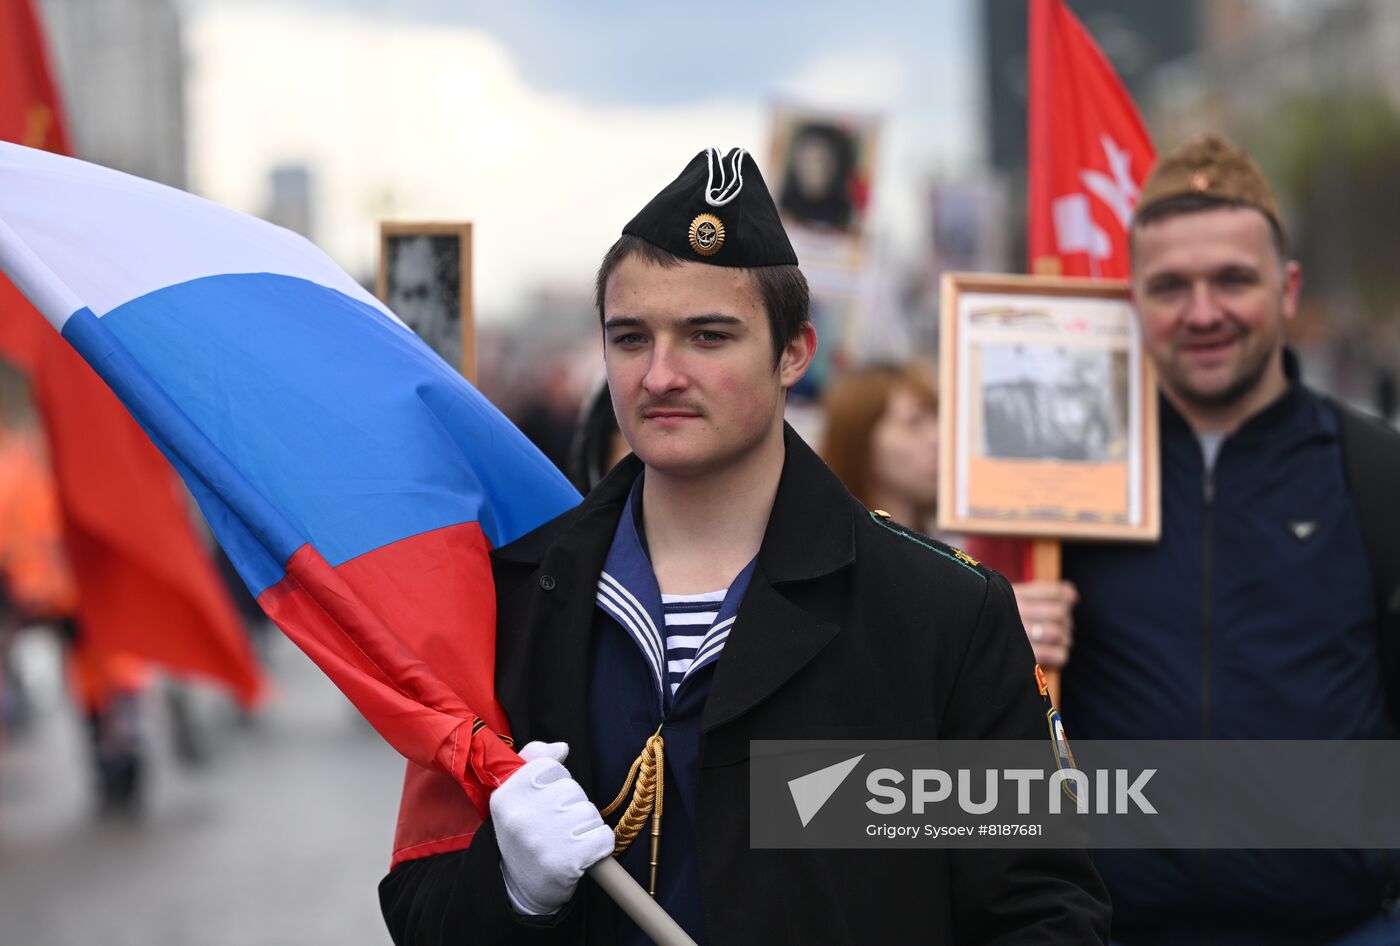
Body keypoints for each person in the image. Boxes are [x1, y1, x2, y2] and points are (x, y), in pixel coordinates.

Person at [379, 146, 1110, 944]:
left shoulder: (940, 611)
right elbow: (420, 909)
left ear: (795, 351)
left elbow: (1042, 910)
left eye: (707, 336)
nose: (659, 375)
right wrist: (514, 889)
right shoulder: (510, 599)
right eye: (630, 339)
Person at [1054, 133, 1400, 944]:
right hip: (1118, 927)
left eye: (1232, 280)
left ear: (1287, 289)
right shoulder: (1061, 488)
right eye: (1170, 285)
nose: (1202, 311)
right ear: (1132, 299)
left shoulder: (1378, 473)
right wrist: (1010, 640)